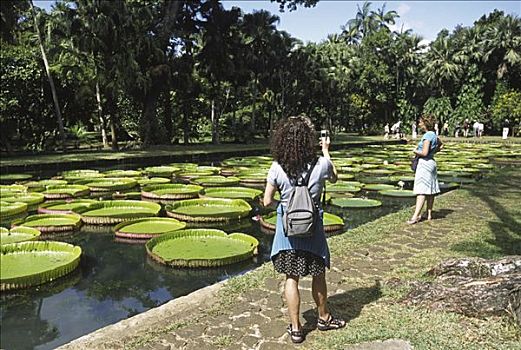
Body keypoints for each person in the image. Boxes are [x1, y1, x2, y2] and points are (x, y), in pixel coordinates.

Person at [263, 115, 345, 344]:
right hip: (313, 229)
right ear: (309, 140)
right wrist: (327, 151)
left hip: (288, 231)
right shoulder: (321, 164)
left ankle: (297, 328)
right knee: (318, 273)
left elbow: (267, 200)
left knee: (292, 277)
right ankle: (324, 317)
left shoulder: (277, 167)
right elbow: (336, 178)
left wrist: (287, 205)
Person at [407, 114, 442, 224]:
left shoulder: (427, 136)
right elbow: (441, 145)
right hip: (431, 162)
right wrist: (433, 152)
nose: (419, 124)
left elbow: (424, 152)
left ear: (425, 123)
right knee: (430, 191)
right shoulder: (434, 135)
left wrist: (415, 151)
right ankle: (429, 214)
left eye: (420, 122)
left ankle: (415, 216)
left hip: (424, 164)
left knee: (421, 191)